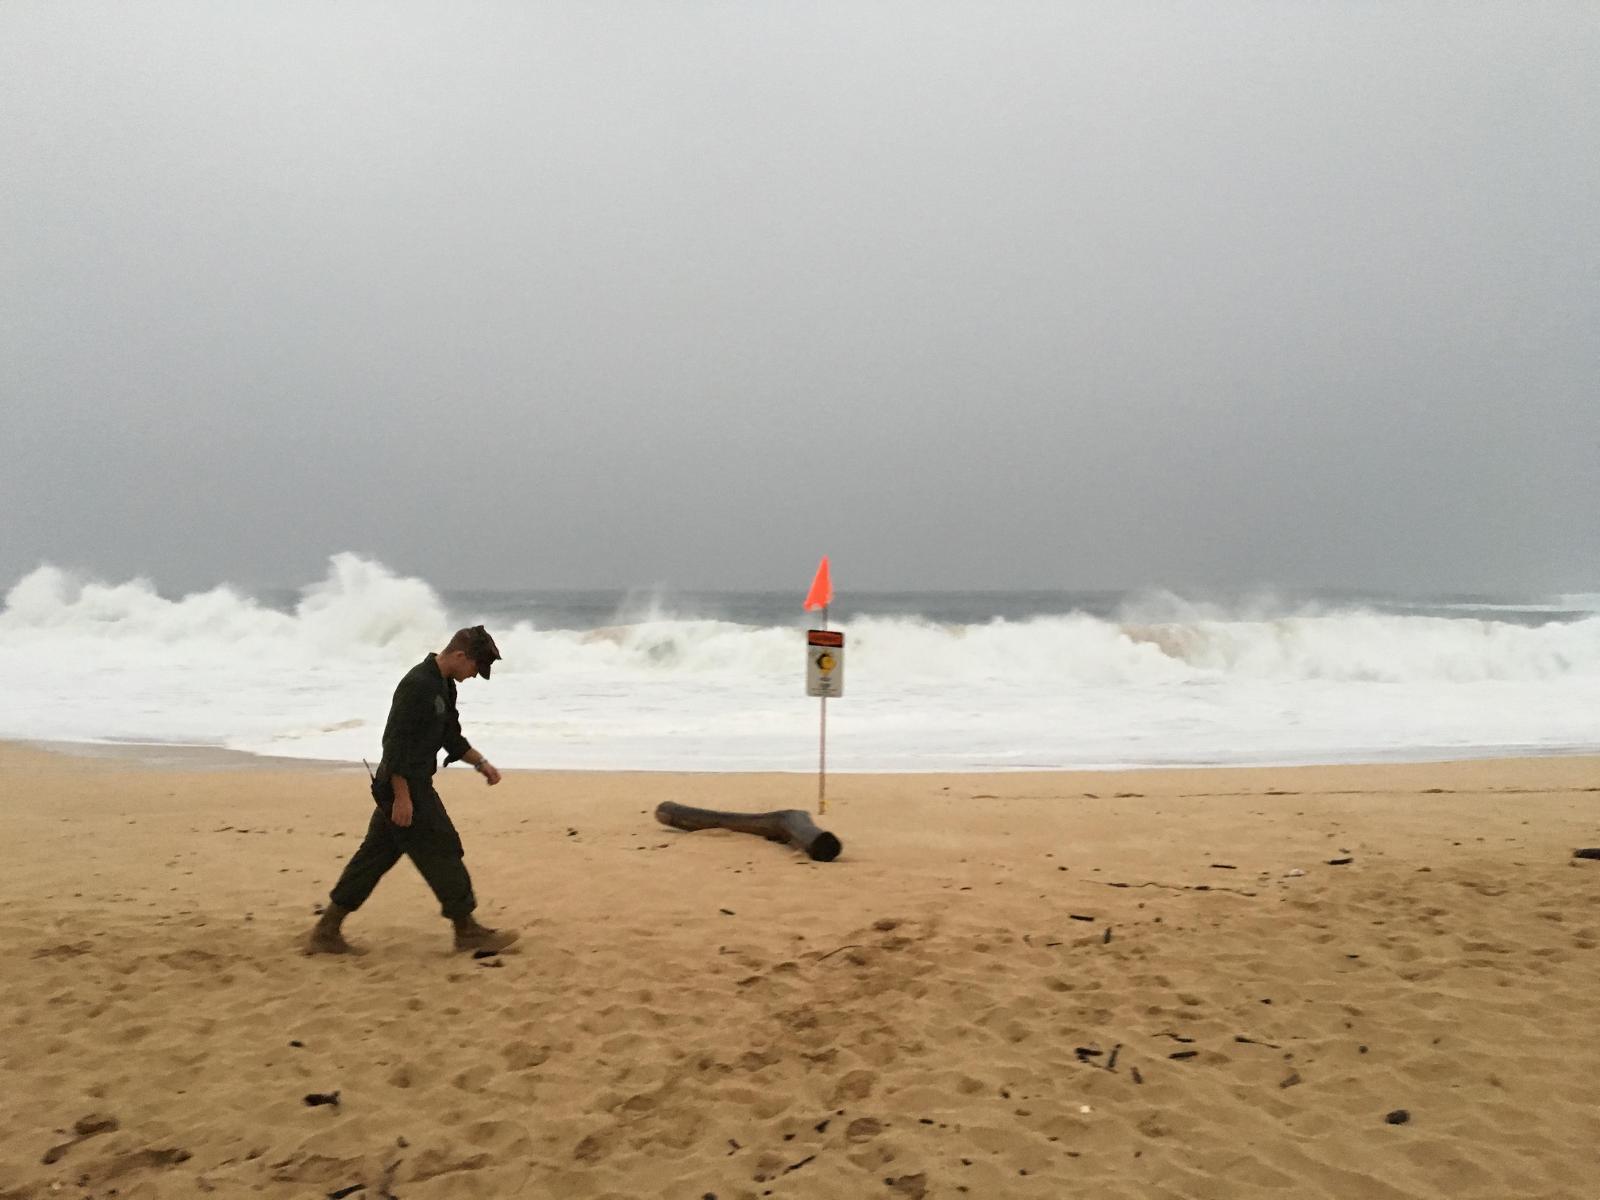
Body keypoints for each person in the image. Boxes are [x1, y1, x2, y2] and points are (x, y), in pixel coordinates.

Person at [307, 625, 519, 955]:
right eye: (477, 668)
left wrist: (481, 764)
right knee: (442, 847)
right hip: (402, 784)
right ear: (461, 656)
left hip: (411, 783)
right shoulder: (417, 685)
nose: (476, 675)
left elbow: (451, 737)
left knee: (374, 857)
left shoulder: (445, 686)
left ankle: (326, 930)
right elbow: (393, 743)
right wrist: (402, 796)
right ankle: (467, 931)